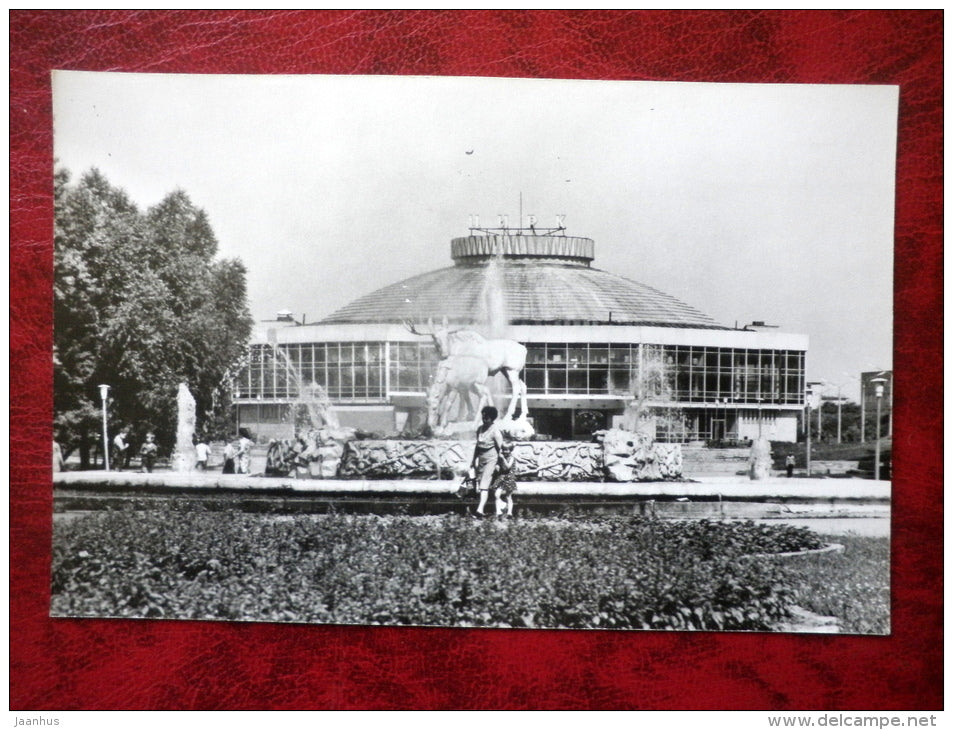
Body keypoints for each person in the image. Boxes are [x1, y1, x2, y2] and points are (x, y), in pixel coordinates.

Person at [470, 405, 503, 517]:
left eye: (487, 418)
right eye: (483, 417)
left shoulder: (496, 431)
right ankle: (499, 509)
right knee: (483, 484)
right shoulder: (480, 429)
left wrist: (499, 463)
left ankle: (480, 509)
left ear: (492, 418)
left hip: (491, 460)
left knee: (484, 484)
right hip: (482, 459)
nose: (484, 419)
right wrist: (473, 460)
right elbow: (477, 446)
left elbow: (501, 449)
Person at [492, 441, 518, 517]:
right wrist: (497, 467)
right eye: (503, 449)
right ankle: (498, 512)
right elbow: (499, 468)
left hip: (509, 478)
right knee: (497, 495)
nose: (505, 451)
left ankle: (509, 512)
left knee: (508, 496)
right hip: (501, 478)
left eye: (507, 450)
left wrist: (503, 459)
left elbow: (508, 467)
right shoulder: (500, 457)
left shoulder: (512, 458)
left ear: (510, 450)